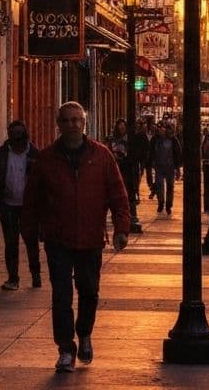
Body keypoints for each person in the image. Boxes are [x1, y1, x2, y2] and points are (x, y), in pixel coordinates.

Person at [22, 101, 130, 373]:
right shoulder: (46, 159)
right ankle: (65, 348)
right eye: (66, 120)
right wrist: (30, 234)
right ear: (58, 124)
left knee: (89, 291)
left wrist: (121, 229)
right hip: (58, 238)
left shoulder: (102, 156)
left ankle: (84, 333)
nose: (72, 125)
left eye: (76, 120)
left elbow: (118, 195)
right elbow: (32, 200)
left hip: (91, 237)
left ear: (84, 123)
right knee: (61, 294)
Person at [0, 119, 41, 290]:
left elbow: (43, 179)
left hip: (29, 206)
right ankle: (13, 278)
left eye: (20, 135)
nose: (17, 139)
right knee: (10, 242)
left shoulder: (34, 154)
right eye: (13, 135)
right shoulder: (1, 154)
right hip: (7, 204)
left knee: (31, 241)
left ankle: (36, 275)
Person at [149, 123, 181, 215]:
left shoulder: (173, 140)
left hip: (170, 167)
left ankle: (168, 205)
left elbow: (177, 153)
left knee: (170, 187)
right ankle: (161, 203)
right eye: (159, 128)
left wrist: (178, 168)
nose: (161, 130)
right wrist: (151, 164)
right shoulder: (155, 139)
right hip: (159, 166)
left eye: (162, 128)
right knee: (160, 186)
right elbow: (151, 152)